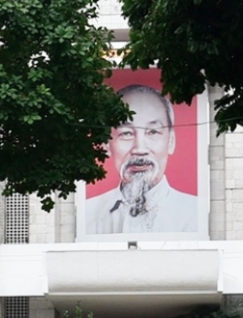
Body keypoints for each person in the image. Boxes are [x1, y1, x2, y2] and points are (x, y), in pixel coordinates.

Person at [84, 84, 198, 234]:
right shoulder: (88, 213)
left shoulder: (195, 213)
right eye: (126, 133)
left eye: (152, 132)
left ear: (170, 141)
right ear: (107, 143)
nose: (139, 149)